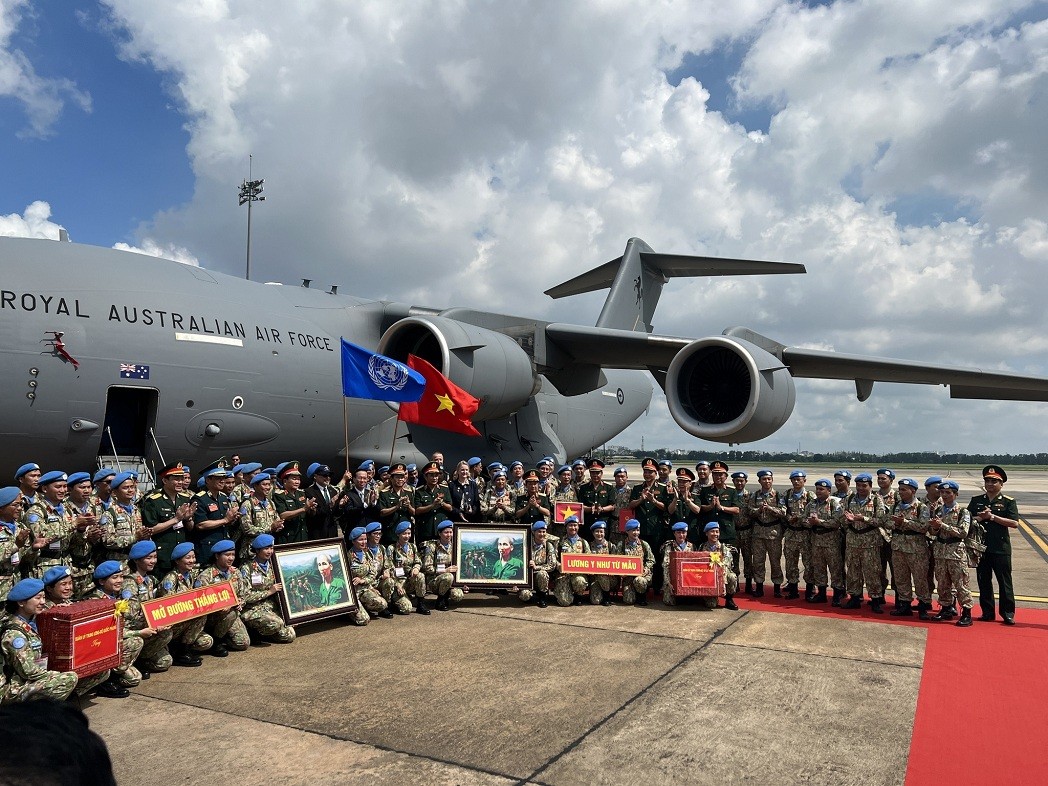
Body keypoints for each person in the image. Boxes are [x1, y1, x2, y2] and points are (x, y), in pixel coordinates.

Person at [1, 578, 79, 702]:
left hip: (32, 678)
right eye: (38, 598)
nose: (43, 602)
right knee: (70, 678)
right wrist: (56, 674)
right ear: (21, 602)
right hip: (15, 688)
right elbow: (29, 671)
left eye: (43, 597)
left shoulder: (31, 620)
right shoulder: (15, 635)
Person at [81, 561, 143, 696]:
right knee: (136, 641)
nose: (120, 581)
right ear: (102, 581)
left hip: (113, 643)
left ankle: (113, 674)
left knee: (135, 678)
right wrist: (139, 633)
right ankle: (104, 681)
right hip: (98, 648)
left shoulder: (116, 595)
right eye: (115, 578)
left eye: (121, 576)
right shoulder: (96, 601)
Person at [968, 465, 1019, 625]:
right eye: (987, 480)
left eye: (994, 481)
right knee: (984, 581)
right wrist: (981, 518)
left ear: (1001, 484)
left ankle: (1007, 613)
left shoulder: (1008, 502)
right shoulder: (976, 501)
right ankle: (987, 612)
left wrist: (993, 517)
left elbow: (1014, 523)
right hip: (981, 548)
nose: (990, 484)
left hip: (1000, 548)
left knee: (1005, 582)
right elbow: (967, 520)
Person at [836, 473, 889, 613]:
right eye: (858, 485)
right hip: (853, 540)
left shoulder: (877, 500)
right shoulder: (849, 499)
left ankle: (876, 599)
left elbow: (882, 520)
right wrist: (848, 521)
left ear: (870, 486)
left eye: (864, 486)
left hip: (870, 541)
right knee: (853, 570)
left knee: (872, 571)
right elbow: (841, 518)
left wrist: (863, 519)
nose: (861, 488)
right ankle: (854, 597)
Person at [156, 542, 213, 666]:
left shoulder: (191, 575)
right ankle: (179, 651)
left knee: (207, 641)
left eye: (193, 557)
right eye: (188, 558)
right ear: (177, 561)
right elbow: (167, 607)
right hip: (172, 624)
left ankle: (184, 649)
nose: (192, 561)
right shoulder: (171, 579)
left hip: (186, 619)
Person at [122, 540, 174, 675]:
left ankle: (143, 659)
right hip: (132, 631)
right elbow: (130, 617)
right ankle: (134, 661)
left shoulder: (149, 580)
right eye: (148, 558)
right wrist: (152, 623)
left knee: (165, 661)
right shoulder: (130, 583)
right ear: (137, 561)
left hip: (148, 627)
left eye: (155, 557)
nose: (153, 561)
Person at [930, 481, 974, 627]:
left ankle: (967, 612)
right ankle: (946, 608)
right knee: (942, 583)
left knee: (961, 584)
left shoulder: (962, 512)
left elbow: (963, 532)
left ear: (956, 494)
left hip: (955, 552)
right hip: (940, 551)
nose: (945, 495)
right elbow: (932, 532)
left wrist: (942, 525)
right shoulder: (938, 511)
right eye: (942, 493)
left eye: (948, 493)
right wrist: (935, 528)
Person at [195, 540, 250, 654]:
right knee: (231, 614)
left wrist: (240, 602)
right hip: (212, 617)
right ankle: (216, 642)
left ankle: (223, 637)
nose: (231, 558)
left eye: (233, 555)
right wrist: (218, 606)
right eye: (227, 555)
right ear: (217, 556)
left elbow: (243, 593)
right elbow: (200, 602)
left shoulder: (236, 573)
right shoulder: (206, 576)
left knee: (243, 643)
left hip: (230, 615)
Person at [139, 463, 196, 574]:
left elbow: (190, 528)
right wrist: (175, 519)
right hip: (164, 554)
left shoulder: (184, 498)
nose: (180, 482)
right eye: (176, 479)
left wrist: (188, 519)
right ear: (165, 481)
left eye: (181, 479)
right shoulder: (154, 501)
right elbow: (150, 529)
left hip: (182, 554)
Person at [239, 534, 296, 643]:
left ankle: (265, 633)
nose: (270, 551)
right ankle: (253, 631)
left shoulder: (274, 565)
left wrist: (290, 615)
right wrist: (269, 592)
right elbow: (245, 596)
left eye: (271, 548)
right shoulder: (247, 568)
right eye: (266, 549)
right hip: (253, 609)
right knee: (276, 623)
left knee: (290, 635)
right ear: (257, 550)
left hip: (270, 607)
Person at [889, 479, 932, 619]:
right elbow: (887, 521)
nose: (900, 492)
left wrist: (905, 522)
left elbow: (924, 527)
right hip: (898, 547)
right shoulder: (895, 506)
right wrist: (894, 523)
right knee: (901, 578)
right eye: (900, 489)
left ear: (913, 491)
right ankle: (905, 604)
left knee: (920, 579)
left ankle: (923, 606)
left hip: (916, 549)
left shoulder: (922, 507)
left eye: (904, 489)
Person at [804, 479, 844, 606]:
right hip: (816, 541)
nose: (818, 491)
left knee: (835, 569)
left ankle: (837, 596)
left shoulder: (835, 504)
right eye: (817, 489)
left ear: (829, 491)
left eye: (821, 489)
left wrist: (819, 522)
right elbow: (804, 519)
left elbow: (836, 522)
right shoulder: (811, 504)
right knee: (819, 569)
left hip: (831, 542)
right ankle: (821, 594)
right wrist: (808, 523)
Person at [749, 469, 785, 597]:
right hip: (758, 534)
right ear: (759, 481)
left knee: (775, 561)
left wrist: (770, 508)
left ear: (772, 480)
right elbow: (750, 512)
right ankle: (759, 586)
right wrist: (758, 510)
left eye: (769, 479)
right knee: (758, 561)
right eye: (764, 479)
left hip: (773, 533)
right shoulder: (754, 496)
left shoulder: (778, 496)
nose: (767, 481)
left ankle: (776, 587)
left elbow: (783, 512)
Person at [781, 470, 815, 600]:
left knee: (808, 563)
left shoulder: (810, 495)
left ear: (804, 481)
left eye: (798, 479)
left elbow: (814, 512)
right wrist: (788, 517)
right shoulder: (787, 494)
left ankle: (810, 589)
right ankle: (793, 588)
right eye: (793, 479)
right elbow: (782, 509)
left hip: (805, 534)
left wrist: (800, 518)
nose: (796, 482)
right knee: (790, 563)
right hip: (791, 534)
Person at [97, 471, 142, 567]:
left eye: (132, 487)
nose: (130, 490)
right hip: (119, 563)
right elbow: (108, 541)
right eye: (125, 488)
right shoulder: (109, 513)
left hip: (135, 562)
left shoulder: (136, 510)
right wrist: (135, 537)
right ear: (114, 492)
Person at [348, 526, 393, 622]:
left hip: (365, 588)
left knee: (382, 604)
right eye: (360, 540)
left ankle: (364, 607)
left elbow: (372, 573)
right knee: (364, 620)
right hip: (353, 592)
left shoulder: (368, 554)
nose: (364, 542)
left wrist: (363, 580)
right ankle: (348, 613)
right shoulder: (348, 555)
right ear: (353, 541)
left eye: (365, 539)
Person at [237, 472, 282, 560]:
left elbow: (276, 519)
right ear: (256, 486)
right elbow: (247, 529)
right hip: (252, 551)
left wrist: (279, 525)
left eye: (269, 484)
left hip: (269, 548)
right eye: (264, 485)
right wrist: (270, 528)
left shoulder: (270, 503)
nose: (268, 487)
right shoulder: (247, 504)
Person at [387, 521, 429, 614]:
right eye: (404, 534)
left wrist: (416, 568)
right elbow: (389, 569)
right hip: (397, 582)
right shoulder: (392, 548)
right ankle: (394, 602)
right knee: (406, 609)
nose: (407, 536)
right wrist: (397, 585)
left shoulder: (412, 547)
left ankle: (421, 603)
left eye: (409, 533)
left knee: (420, 576)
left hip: (409, 580)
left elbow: (418, 561)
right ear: (398, 534)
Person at [422, 520, 463, 611]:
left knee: (458, 595)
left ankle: (445, 595)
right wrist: (445, 571)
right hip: (434, 580)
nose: (449, 535)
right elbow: (427, 567)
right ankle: (440, 601)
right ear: (439, 533)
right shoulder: (432, 547)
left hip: (450, 581)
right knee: (448, 576)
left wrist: (463, 582)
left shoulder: (455, 546)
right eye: (446, 532)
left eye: (450, 532)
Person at [697, 522, 739, 610]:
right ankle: (706, 596)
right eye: (712, 531)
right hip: (708, 579)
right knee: (711, 605)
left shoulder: (724, 548)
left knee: (732, 577)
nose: (715, 534)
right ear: (706, 533)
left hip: (721, 576)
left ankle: (729, 599)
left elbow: (726, 565)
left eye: (717, 532)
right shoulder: (702, 547)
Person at [0, 487, 29, 601]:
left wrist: (35, 549)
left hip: (16, 586)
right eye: (15, 505)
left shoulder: (20, 527)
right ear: (1, 508)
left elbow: (27, 559)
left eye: (21, 505)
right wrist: (16, 545)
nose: (20, 508)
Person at [519, 521, 557, 608]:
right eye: (539, 531)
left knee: (542, 573)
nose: (542, 534)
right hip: (528, 577)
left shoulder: (548, 545)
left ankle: (542, 597)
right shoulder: (526, 545)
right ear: (533, 532)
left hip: (540, 577)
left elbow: (552, 565)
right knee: (525, 596)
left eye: (544, 531)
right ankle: (531, 595)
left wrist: (537, 567)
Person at [273, 462, 314, 544]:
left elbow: (307, 514)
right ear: (285, 481)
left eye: (298, 479)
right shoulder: (279, 495)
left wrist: (311, 509)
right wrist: (303, 509)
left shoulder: (301, 493)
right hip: (288, 537)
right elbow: (283, 515)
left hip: (303, 535)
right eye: (294, 479)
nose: (297, 482)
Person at [554, 515, 590, 606]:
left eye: (575, 525)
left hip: (578, 573)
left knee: (580, 581)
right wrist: (559, 566)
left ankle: (578, 597)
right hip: (564, 575)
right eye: (570, 525)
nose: (573, 528)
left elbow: (589, 559)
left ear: (578, 527)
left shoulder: (583, 542)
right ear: (566, 527)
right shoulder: (560, 542)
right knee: (564, 602)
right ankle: (566, 593)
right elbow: (554, 558)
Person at [413, 462, 452, 544]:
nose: (434, 478)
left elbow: (450, 507)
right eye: (431, 475)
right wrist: (432, 505)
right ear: (425, 477)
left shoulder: (444, 489)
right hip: (426, 529)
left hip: (441, 529)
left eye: (436, 475)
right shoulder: (419, 491)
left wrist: (442, 503)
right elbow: (417, 510)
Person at [619, 519, 655, 606]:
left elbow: (651, 559)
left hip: (641, 575)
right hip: (628, 577)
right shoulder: (621, 545)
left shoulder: (644, 544)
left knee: (640, 581)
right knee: (628, 601)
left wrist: (646, 568)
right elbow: (617, 561)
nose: (636, 533)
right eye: (633, 530)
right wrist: (621, 573)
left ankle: (641, 597)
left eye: (638, 530)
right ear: (627, 531)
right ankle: (633, 592)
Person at [377, 464, 414, 544]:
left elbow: (414, 512)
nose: (400, 480)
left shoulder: (409, 493)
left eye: (402, 477)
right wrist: (397, 506)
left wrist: (409, 506)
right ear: (391, 478)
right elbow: (382, 512)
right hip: (391, 532)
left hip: (405, 533)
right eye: (397, 477)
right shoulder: (384, 493)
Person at [576, 458, 614, 536]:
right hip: (588, 523)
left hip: (603, 523)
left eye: (597, 473)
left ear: (601, 473)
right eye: (593, 473)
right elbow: (580, 506)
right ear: (590, 473)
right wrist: (590, 509)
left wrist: (602, 509)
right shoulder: (583, 488)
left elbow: (612, 506)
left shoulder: (608, 487)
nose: (595, 475)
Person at [302, 464, 340, 540]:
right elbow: (314, 514)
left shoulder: (333, 491)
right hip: (318, 533)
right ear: (315, 476)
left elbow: (336, 514)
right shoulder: (309, 492)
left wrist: (341, 506)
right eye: (324, 475)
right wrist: (329, 505)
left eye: (329, 475)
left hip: (332, 532)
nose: (327, 478)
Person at [661, 522, 695, 606]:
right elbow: (666, 566)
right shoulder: (669, 546)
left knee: (689, 603)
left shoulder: (691, 546)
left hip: (687, 581)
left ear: (686, 533)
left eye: (683, 532)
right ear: (674, 533)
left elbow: (694, 567)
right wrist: (668, 583)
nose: (681, 535)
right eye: (678, 532)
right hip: (672, 580)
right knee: (669, 602)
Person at [587, 520, 617, 606]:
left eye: (601, 532)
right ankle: (600, 594)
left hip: (610, 578)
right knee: (595, 601)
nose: (599, 534)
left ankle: (607, 597)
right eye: (597, 531)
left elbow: (617, 562)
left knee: (602, 573)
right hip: (594, 578)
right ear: (593, 533)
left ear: (604, 533)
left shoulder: (611, 546)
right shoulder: (589, 546)